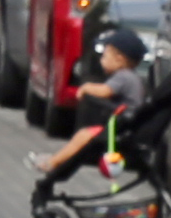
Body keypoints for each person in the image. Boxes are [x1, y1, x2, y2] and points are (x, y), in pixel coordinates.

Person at [29, 29, 153, 192]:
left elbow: (105, 91)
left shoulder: (123, 77)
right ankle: (55, 161)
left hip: (122, 129)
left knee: (84, 136)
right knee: (85, 135)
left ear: (119, 59)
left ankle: (53, 162)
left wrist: (86, 88)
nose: (102, 60)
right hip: (126, 126)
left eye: (105, 55)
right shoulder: (133, 77)